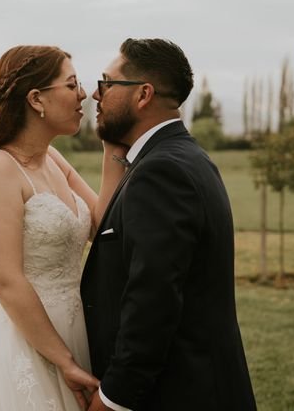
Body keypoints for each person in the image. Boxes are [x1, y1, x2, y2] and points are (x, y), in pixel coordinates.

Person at [0, 45, 127, 410]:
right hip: (24, 341)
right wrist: (64, 361)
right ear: (36, 99)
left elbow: (101, 224)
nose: (84, 95)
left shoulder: (53, 159)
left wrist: (111, 145)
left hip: (74, 329)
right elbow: (5, 281)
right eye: (71, 84)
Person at [81, 38, 257, 410]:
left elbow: (153, 299)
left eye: (106, 83)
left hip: (179, 393)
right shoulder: (184, 157)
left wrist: (114, 398)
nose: (96, 96)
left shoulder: (160, 172)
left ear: (142, 94)